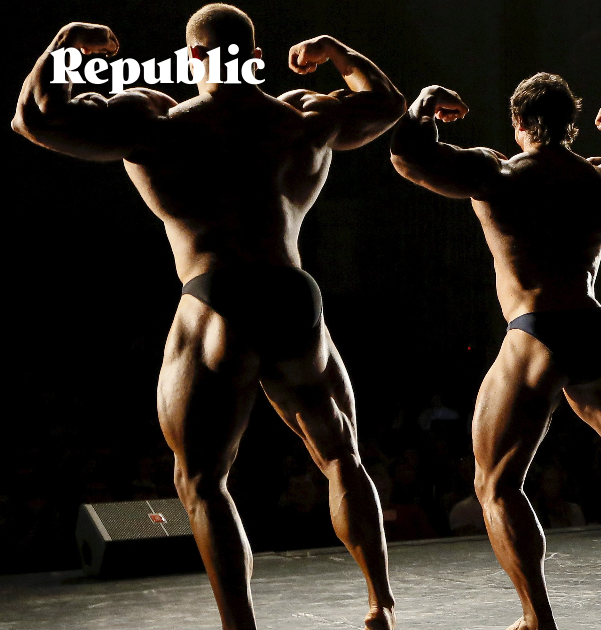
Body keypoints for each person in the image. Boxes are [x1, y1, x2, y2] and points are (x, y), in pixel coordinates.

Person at [12, 5, 404, 628]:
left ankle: (238, 625)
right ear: (255, 56)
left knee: (201, 479)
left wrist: (66, 43)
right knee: (340, 457)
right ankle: (380, 603)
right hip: (292, 292)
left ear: (193, 56)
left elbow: (34, 119)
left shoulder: (157, 122)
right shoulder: (302, 117)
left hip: (217, 293)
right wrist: (335, 51)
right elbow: (387, 103)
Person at [389, 73, 601, 629]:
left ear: (519, 122)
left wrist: (424, 105)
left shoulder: (498, 174)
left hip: (535, 329)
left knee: (495, 484)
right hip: (593, 327)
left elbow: (408, 159)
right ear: (571, 124)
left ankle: (536, 617)